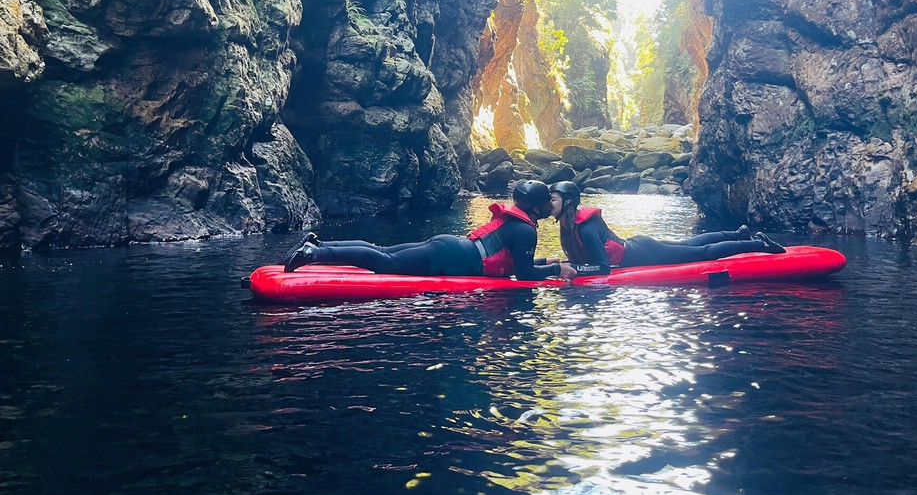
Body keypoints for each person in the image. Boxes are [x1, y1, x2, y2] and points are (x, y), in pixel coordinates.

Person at [280, 180, 576, 280]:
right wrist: (556, 271)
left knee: (382, 251)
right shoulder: (526, 231)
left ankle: (318, 245)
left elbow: (519, 263)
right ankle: (313, 253)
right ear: (535, 206)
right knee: (385, 263)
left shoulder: (517, 225)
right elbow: (522, 275)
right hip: (453, 258)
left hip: (451, 246)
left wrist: (546, 262)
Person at [547, 180, 784, 276]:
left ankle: (758, 243)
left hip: (643, 253)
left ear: (567, 202)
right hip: (638, 246)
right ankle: (738, 233)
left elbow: (603, 268)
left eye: (553, 200)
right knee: (689, 245)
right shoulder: (569, 223)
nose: (548, 204)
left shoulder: (585, 228)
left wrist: (570, 268)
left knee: (700, 252)